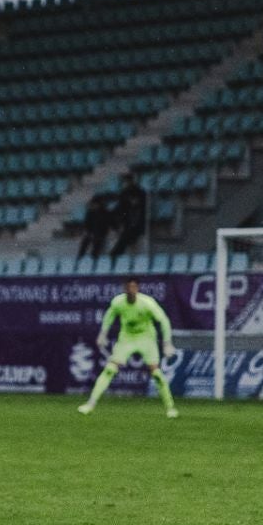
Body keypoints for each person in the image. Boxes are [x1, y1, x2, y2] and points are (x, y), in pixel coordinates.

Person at [78, 277, 178, 418]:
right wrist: (103, 334)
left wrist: (167, 343)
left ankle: (170, 408)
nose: (131, 290)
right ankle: (90, 404)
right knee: (110, 369)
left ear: (137, 289)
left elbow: (164, 321)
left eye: (133, 287)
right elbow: (109, 316)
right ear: (124, 289)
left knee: (156, 373)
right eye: (128, 287)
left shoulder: (147, 303)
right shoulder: (118, 302)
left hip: (146, 338)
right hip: (127, 338)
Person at [109, 172, 149, 256]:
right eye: (124, 182)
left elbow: (141, 207)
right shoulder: (124, 193)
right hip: (127, 222)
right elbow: (120, 208)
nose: (125, 183)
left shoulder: (140, 192)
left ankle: (115, 253)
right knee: (124, 233)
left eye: (126, 181)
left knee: (126, 235)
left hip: (136, 222)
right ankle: (115, 252)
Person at [77, 190, 116, 258]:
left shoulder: (106, 212)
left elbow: (109, 223)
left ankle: (94, 256)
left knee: (98, 240)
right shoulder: (90, 212)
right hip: (91, 231)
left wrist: (114, 229)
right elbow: (87, 223)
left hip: (101, 232)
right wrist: (88, 231)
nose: (93, 206)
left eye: (95, 204)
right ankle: (80, 256)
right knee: (86, 241)